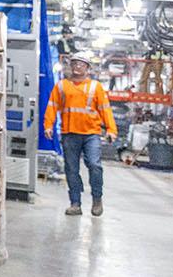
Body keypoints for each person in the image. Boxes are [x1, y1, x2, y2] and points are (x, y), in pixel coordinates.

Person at [44, 51, 118, 216]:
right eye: (75, 63)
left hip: (91, 134)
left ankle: (97, 199)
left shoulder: (95, 87)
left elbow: (106, 110)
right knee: (71, 169)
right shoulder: (62, 86)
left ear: (88, 68)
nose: (77, 66)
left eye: (81, 64)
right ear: (70, 66)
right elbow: (52, 106)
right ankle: (75, 203)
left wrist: (111, 130)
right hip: (69, 133)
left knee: (94, 165)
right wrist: (48, 125)